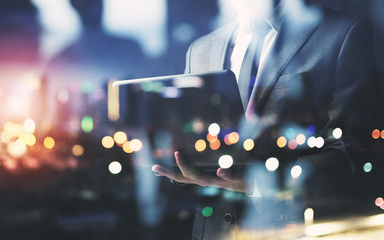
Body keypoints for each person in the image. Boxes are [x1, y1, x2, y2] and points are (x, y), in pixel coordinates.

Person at [152, 0, 380, 239]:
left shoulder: (342, 34)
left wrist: (262, 183)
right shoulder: (201, 49)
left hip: (300, 227)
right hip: (215, 230)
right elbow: (194, 142)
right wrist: (179, 165)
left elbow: (354, 149)